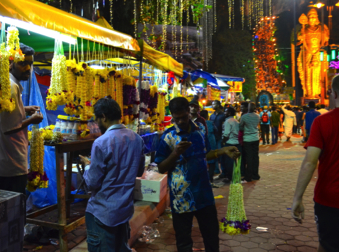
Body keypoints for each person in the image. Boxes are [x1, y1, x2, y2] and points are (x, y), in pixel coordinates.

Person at [155, 97, 240, 252]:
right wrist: (175, 153)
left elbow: (205, 154)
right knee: (184, 241)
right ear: (172, 116)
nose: (180, 121)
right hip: (181, 197)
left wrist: (223, 151)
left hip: (204, 194)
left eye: (184, 117)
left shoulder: (200, 130)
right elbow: (161, 168)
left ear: (189, 112)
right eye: (177, 118)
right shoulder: (168, 137)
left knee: (211, 236)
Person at [80, 98, 145, 251]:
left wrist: (88, 167)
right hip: (124, 211)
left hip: (102, 213)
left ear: (103, 117)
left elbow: (92, 183)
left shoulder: (101, 142)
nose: (97, 124)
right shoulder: (137, 139)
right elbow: (139, 171)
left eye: (97, 119)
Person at [0, 43, 44, 194]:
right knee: (13, 211)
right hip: (11, 164)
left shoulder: (6, 82)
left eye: (30, 64)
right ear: (10, 64)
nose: (28, 69)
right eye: (23, 63)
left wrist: (23, 110)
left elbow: (5, 114)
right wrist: (32, 120)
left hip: (2, 162)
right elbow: (10, 127)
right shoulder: (11, 87)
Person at [292, 74, 339, 252]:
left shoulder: (323, 122)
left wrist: (297, 198)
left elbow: (309, 163)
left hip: (330, 198)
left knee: (327, 246)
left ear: (333, 94)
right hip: (329, 198)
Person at [239, 102, 260, 183]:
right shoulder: (257, 116)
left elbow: (240, 127)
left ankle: (248, 176)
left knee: (249, 158)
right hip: (255, 138)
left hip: (247, 139)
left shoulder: (244, 117)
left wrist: (246, 129)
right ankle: (256, 175)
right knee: (255, 157)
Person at [200, 110, 219, 188]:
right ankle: (210, 180)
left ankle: (204, 180)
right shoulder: (210, 123)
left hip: (202, 143)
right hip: (211, 142)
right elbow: (216, 131)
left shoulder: (198, 124)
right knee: (212, 162)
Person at [221, 107, 241, 182]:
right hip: (236, 142)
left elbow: (226, 134)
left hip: (229, 142)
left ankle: (229, 177)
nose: (224, 113)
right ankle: (235, 176)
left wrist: (223, 141)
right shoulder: (236, 121)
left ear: (229, 113)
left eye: (225, 111)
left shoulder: (228, 121)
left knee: (228, 162)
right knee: (234, 161)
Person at [210, 100, 226, 178]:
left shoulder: (223, 115)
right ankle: (216, 169)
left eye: (214, 104)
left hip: (220, 137)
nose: (212, 105)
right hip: (213, 137)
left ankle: (223, 170)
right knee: (214, 154)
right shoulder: (212, 116)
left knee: (221, 154)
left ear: (218, 105)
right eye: (212, 104)